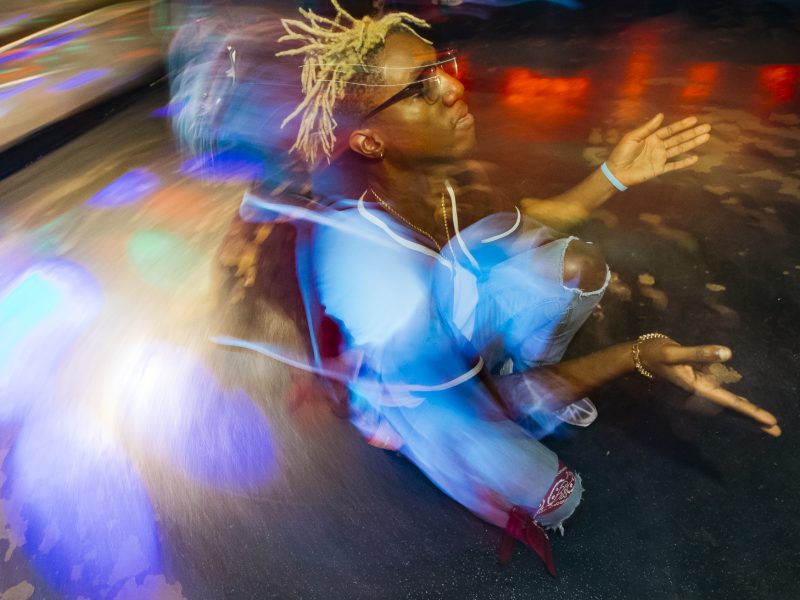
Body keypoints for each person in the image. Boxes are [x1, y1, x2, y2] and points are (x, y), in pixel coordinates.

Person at [173, 0, 779, 575]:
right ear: (370, 139)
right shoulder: (382, 281)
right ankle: (403, 419)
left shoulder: (430, 180)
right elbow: (497, 404)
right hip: (422, 391)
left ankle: (502, 360)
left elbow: (514, 226)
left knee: (571, 266)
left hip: (432, 331)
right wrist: (636, 354)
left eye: (441, 67)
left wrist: (613, 176)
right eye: (421, 89)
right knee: (558, 497)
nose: (454, 89)